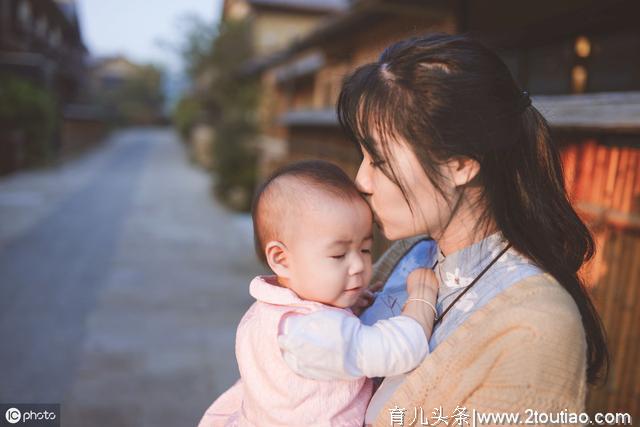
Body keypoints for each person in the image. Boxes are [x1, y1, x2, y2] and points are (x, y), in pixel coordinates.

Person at [276, 33, 609, 426]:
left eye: (379, 161)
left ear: (460, 165)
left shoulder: (537, 327)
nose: (361, 180)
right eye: (362, 157)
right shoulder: (413, 254)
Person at [197, 160, 440, 427]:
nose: (359, 266)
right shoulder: (312, 333)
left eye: (365, 250)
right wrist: (421, 296)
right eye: (338, 255)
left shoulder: (266, 313)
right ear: (281, 259)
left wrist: (346, 306)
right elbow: (401, 350)